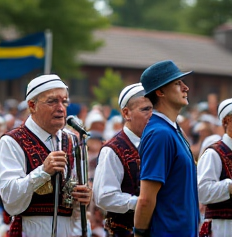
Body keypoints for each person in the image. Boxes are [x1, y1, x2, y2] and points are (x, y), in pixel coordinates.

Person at [0, 74, 92, 237]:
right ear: (32, 105)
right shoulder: (12, 141)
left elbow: (75, 203)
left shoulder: (72, 140)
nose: (61, 108)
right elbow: (10, 200)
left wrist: (84, 197)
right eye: (52, 101)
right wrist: (43, 171)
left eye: (64, 101)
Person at [133, 60, 199, 237]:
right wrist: (139, 233)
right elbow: (146, 198)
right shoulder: (160, 134)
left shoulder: (172, 130)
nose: (186, 88)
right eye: (178, 83)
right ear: (160, 92)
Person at [93, 83, 153, 237]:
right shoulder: (113, 149)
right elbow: (104, 196)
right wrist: (142, 203)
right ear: (126, 113)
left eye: (154, 109)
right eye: (145, 109)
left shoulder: (157, 144)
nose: (152, 115)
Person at [197, 98, 232, 237]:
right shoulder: (213, 153)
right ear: (226, 122)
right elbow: (202, 191)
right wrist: (229, 186)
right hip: (222, 228)